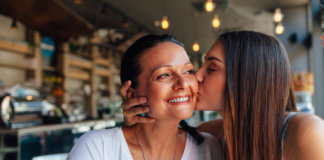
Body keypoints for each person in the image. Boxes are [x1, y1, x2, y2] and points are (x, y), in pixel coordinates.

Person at [120, 31, 324, 160]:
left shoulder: (304, 133)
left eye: (212, 68)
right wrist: (139, 123)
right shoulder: (210, 135)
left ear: (246, 78)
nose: (196, 76)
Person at [67, 34, 224, 160]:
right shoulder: (98, 147)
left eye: (188, 71)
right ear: (131, 94)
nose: (183, 83)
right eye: (163, 75)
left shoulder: (208, 147)